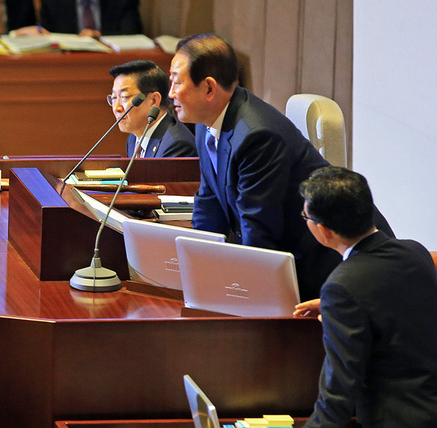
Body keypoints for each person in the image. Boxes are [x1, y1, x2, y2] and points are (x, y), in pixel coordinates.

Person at [167, 33, 392, 300]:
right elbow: (209, 201)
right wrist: (197, 269)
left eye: (177, 81)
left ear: (208, 88)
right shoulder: (207, 123)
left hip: (331, 267)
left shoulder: (256, 135)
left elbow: (258, 227)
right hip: (290, 257)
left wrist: (243, 294)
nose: (171, 93)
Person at [268, 167, 437, 428]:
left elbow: (342, 379)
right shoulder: (414, 252)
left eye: (306, 216)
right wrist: (335, 305)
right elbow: (395, 299)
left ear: (324, 231)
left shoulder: (344, 285)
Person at [108, 60, 197, 158]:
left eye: (124, 97)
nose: (117, 108)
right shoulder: (134, 138)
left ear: (154, 100)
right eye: (114, 98)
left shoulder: (177, 145)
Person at [38, 0, 141, 38]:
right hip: (66, 65)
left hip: (112, 62)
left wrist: (99, 36)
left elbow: (131, 33)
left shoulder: (123, 1)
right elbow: (48, 37)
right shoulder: (52, 2)